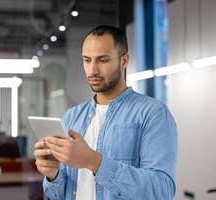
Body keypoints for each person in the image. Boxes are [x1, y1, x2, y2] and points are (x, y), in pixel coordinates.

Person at [34, 25, 177, 200]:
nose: (93, 70)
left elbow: (162, 191)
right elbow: (60, 194)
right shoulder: (72, 116)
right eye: (87, 60)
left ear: (124, 61)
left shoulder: (153, 113)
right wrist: (52, 175)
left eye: (103, 60)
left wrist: (93, 161)